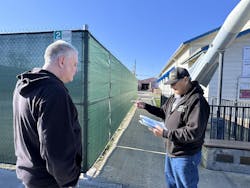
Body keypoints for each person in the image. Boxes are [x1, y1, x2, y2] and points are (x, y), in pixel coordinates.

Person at [13, 40, 82, 188]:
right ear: (62, 61)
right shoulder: (54, 92)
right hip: (51, 182)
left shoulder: (24, 85)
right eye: (75, 64)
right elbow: (56, 152)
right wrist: (69, 181)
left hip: (30, 177)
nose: (76, 69)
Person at [136, 67, 210, 188]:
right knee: (172, 184)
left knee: (185, 185)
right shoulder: (174, 97)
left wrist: (165, 134)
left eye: (174, 83)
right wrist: (146, 106)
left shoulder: (197, 101)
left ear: (186, 80)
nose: (171, 87)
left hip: (185, 155)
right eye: (170, 84)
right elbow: (163, 112)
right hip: (171, 151)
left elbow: (193, 132)